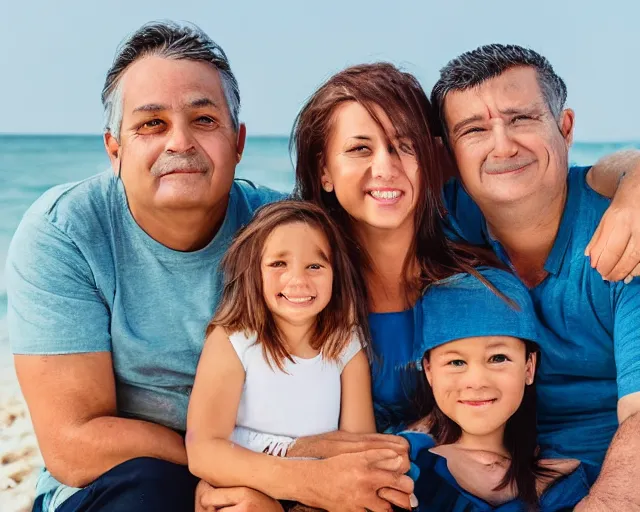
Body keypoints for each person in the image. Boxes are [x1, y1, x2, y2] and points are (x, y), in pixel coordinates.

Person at [5, 22, 410, 512]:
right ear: (115, 148)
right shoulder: (66, 231)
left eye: (203, 120)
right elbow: (75, 445)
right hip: (128, 479)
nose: (179, 142)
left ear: (238, 142)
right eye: (151, 123)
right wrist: (265, 466)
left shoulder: (286, 234)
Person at [430, 43, 640, 509]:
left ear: (564, 128)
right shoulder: (443, 226)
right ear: (450, 154)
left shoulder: (625, 234)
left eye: (521, 119)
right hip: (491, 478)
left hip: (605, 482)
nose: (502, 145)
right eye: (475, 129)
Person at [186, 200, 377, 502]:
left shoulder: (346, 345)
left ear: (336, 273)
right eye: (278, 264)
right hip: (249, 491)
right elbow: (203, 451)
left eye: (315, 265)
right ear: (253, 270)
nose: (298, 280)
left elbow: (357, 448)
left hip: (323, 500)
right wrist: (299, 453)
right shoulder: (233, 339)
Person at [400, 268, 589, 511]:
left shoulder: (568, 480)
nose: (477, 381)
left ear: (529, 367)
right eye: (456, 362)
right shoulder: (407, 465)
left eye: (498, 358)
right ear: (429, 372)